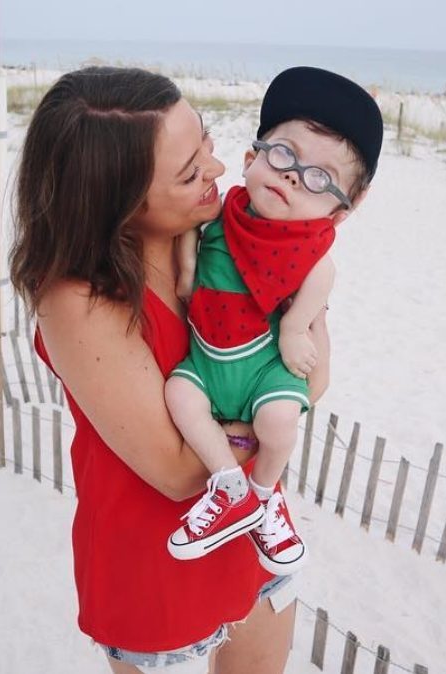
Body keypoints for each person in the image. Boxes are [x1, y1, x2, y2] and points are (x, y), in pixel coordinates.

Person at [11, 66, 325, 673]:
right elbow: (181, 473)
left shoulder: (222, 230)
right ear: (119, 203)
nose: (216, 169)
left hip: (252, 529)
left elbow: (316, 372)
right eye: (188, 172)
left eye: (205, 141)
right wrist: (266, 410)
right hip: (159, 556)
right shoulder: (77, 301)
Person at [164, 67, 384, 576]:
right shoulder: (218, 215)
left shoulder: (310, 252)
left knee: (280, 421)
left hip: (265, 367)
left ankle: (264, 495)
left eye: (320, 178)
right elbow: (191, 240)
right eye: (284, 154)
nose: (293, 176)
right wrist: (189, 270)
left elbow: (321, 281)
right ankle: (229, 485)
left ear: (341, 210)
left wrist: (293, 328)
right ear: (250, 159)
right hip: (209, 358)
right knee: (180, 396)